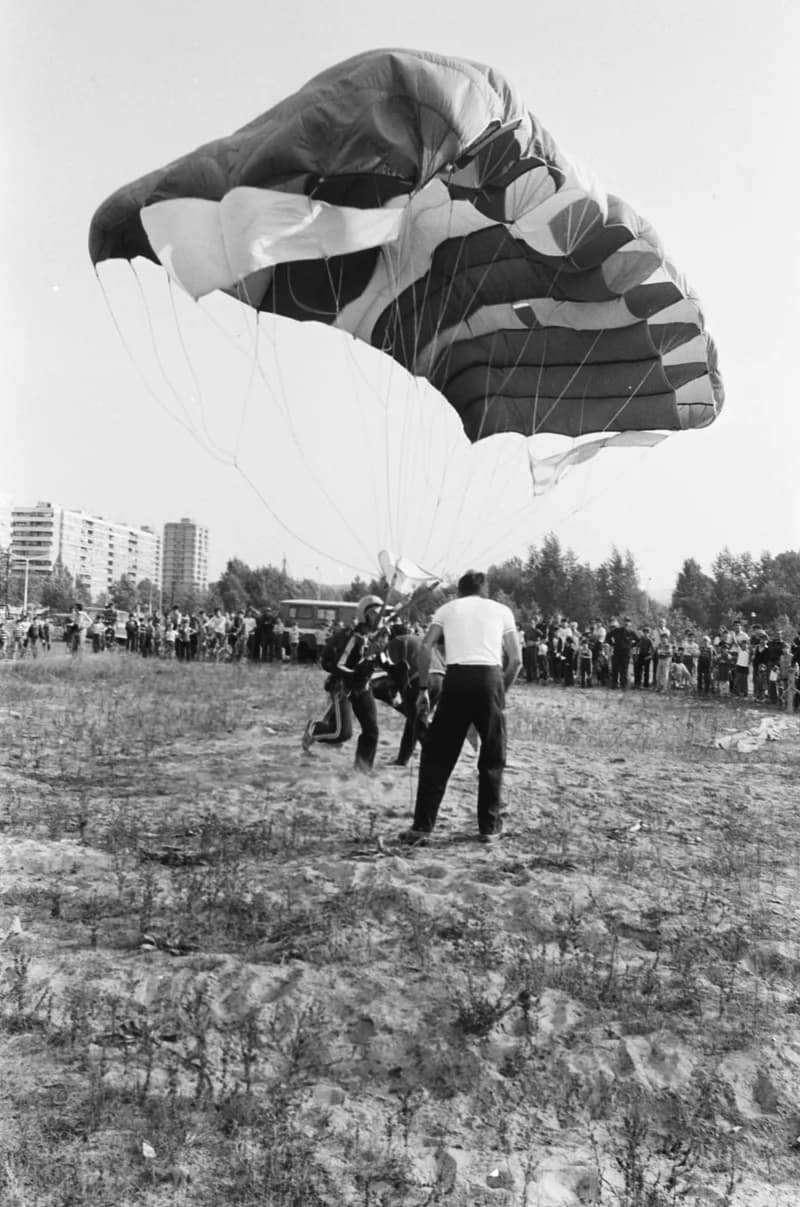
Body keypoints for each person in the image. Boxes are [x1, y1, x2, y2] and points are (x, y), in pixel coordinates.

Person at [399, 570, 521, 845]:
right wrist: (500, 694)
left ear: (459, 591)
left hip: (456, 679)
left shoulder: (447, 609)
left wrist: (422, 689)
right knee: (492, 756)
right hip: (490, 679)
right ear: (485, 590)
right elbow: (516, 660)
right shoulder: (502, 611)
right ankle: (489, 828)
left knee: (437, 755)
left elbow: (426, 646)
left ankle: (422, 827)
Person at [302, 595, 386, 772]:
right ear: (364, 615)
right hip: (343, 687)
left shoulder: (379, 636)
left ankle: (362, 770)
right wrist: (356, 672)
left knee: (371, 730)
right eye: (373, 613)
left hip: (362, 687)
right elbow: (337, 665)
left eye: (379, 613)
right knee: (342, 733)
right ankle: (314, 729)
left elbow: (383, 662)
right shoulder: (353, 637)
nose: (377, 616)